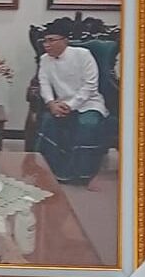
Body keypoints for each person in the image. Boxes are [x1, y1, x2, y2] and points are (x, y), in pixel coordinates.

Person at [34, 30, 109, 184]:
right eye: (44, 41)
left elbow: (90, 86)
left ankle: (82, 175)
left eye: (51, 40)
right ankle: (53, 171)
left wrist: (70, 105)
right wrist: (51, 103)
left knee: (88, 124)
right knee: (48, 121)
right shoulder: (44, 59)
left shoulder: (83, 55)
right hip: (60, 105)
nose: (46, 45)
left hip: (88, 103)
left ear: (65, 40)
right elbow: (44, 84)